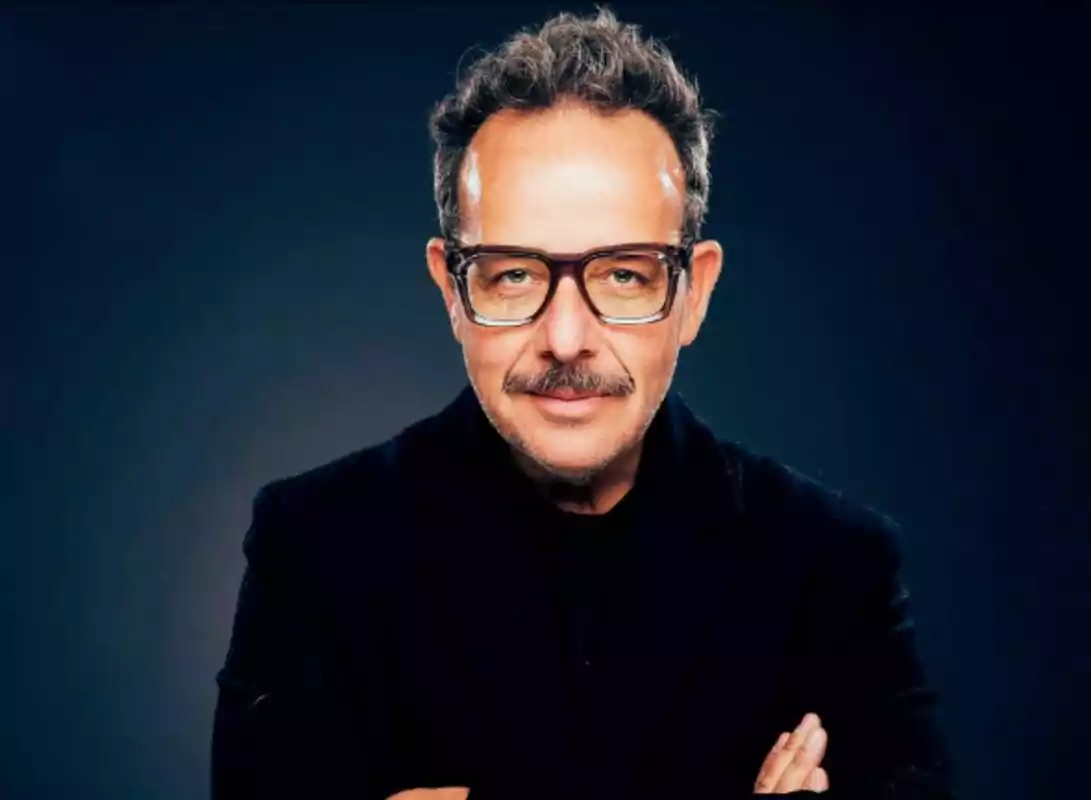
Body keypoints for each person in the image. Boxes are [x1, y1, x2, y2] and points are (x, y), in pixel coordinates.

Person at [210, 8, 954, 800]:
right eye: (514, 275)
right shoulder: (317, 547)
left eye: (625, 275)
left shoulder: (833, 567)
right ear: (452, 291)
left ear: (694, 293)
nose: (567, 338)